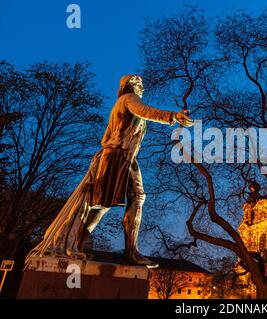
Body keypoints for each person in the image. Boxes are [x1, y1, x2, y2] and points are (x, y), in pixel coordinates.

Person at [26, 75, 193, 267]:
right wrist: (172, 116)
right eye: (139, 85)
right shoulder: (129, 99)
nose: (142, 88)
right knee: (105, 203)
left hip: (122, 157)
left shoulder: (123, 102)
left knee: (124, 199)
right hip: (117, 156)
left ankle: (114, 250)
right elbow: (145, 111)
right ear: (131, 86)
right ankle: (86, 246)